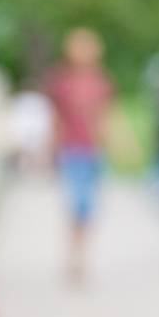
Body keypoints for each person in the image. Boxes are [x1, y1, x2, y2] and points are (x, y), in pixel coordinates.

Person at [46, 28, 114, 283]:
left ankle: (82, 255)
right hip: (71, 150)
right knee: (75, 204)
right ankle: (74, 256)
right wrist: (50, 149)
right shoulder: (61, 81)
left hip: (93, 151)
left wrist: (113, 143)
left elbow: (106, 116)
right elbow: (55, 119)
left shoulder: (101, 81)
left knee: (89, 208)